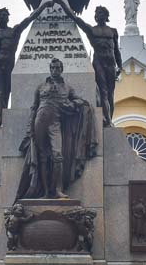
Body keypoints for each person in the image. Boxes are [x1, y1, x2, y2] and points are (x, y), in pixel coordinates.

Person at [16, 58, 97, 200]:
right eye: (52, 68)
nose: (54, 70)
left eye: (57, 68)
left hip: (55, 124)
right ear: (50, 69)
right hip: (39, 122)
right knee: (43, 157)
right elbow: (34, 107)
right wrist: (30, 128)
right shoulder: (41, 86)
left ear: (61, 70)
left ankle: (58, 189)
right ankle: (46, 192)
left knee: (57, 155)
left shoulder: (67, 88)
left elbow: (79, 100)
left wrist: (72, 105)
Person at [55, 0, 123, 127]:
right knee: (103, 91)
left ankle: (109, 120)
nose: (98, 15)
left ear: (106, 15)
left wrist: (119, 66)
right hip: (99, 63)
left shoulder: (112, 31)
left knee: (110, 93)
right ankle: (107, 120)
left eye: (101, 13)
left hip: (111, 64)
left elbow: (117, 51)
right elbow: (75, 18)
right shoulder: (92, 30)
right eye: (97, 13)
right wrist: (62, 4)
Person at [0, 0, 51, 125]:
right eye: (1, 15)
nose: (4, 17)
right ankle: (1, 119)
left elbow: (30, 18)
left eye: (5, 15)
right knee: (0, 92)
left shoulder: (14, 31)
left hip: (9, 63)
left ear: (8, 18)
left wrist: (43, 5)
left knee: (8, 91)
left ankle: (5, 117)